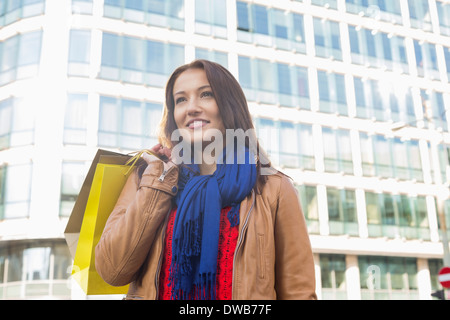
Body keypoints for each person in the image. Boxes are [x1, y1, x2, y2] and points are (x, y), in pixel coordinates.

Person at [95, 59, 317, 300]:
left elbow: (299, 293)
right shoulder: (149, 178)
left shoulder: (274, 189)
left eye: (206, 95)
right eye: (181, 99)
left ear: (229, 105)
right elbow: (112, 270)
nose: (191, 108)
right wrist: (158, 182)